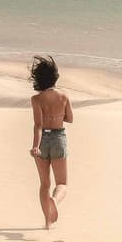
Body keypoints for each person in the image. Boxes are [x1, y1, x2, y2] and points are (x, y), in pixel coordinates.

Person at [29, 55, 73, 230]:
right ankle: (54, 200)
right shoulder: (63, 96)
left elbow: (38, 125)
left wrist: (35, 146)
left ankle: (48, 222)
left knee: (44, 184)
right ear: (55, 76)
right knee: (61, 183)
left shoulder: (36, 99)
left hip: (43, 141)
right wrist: (58, 115)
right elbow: (70, 118)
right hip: (58, 138)